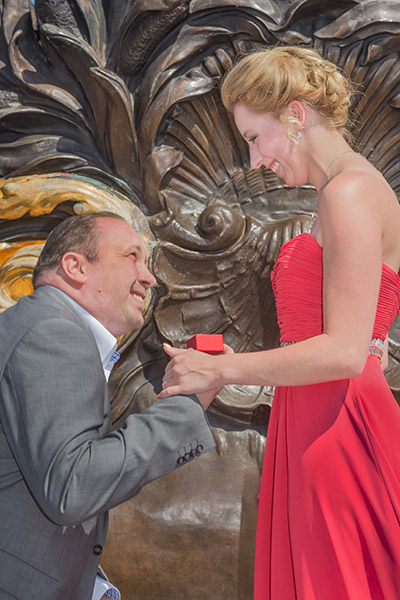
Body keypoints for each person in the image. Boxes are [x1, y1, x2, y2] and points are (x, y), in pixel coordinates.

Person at [158, 46, 400, 599]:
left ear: (295, 114)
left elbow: (342, 350)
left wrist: (220, 370)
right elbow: (364, 334)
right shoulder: (338, 194)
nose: (253, 161)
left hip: (336, 424)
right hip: (317, 412)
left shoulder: (350, 192)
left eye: (252, 136)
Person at [0, 211, 220, 600]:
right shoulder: (55, 333)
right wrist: (188, 406)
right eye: (131, 256)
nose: (149, 277)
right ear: (75, 267)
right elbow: (73, 486)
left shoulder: (34, 324)